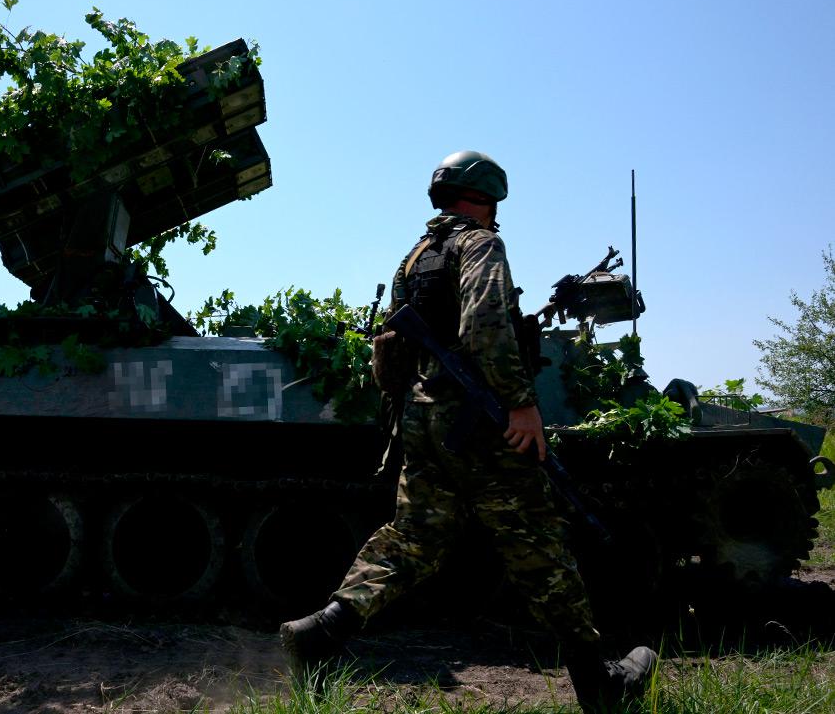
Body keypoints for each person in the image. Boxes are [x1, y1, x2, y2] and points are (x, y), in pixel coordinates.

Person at [279, 151, 656, 713]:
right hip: (479, 422)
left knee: (413, 540)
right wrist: (522, 406)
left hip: (423, 418)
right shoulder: (480, 245)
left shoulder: (416, 257)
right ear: (490, 196)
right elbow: (483, 327)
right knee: (537, 544)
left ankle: (319, 632)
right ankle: (599, 684)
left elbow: (396, 344)